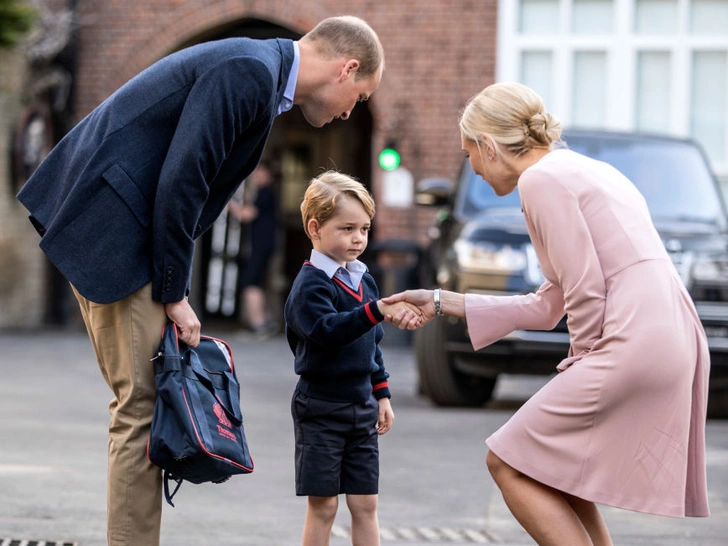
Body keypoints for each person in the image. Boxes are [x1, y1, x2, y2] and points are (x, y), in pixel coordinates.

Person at [16, 16, 384, 546]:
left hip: (121, 232)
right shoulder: (249, 72)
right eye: (361, 95)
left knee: (142, 406)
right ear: (347, 68)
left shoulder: (260, 73)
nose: (354, 110)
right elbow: (182, 181)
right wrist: (175, 292)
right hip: (118, 235)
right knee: (142, 410)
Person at [384, 82, 710, 546]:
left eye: (468, 154)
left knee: (507, 461)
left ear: (489, 147)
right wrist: (439, 300)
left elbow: (583, 288)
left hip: (632, 338)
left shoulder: (541, 181)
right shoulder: (583, 170)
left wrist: (582, 357)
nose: (472, 169)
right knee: (558, 470)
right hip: (669, 332)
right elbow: (549, 302)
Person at [284, 171, 421, 546]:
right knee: (324, 506)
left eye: (364, 228)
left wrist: (382, 394)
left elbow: (371, 344)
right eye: (347, 228)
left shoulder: (363, 279)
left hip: (361, 406)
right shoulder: (310, 284)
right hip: (321, 408)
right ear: (315, 228)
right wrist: (376, 310)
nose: (358, 238)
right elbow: (328, 331)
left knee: (365, 503)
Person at [228, 162, 279, 337]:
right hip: (263, 245)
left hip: (261, 245)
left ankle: (259, 324)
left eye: (259, 173)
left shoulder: (266, 192)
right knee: (255, 281)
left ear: (268, 175)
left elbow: (246, 214)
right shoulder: (264, 193)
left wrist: (226, 203)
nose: (256, 176)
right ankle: (264, 320)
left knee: (250, 282)